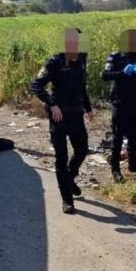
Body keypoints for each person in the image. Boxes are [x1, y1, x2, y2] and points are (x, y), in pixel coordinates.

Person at [30, 28, 92, 214]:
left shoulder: (82, 60)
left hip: (76, 114)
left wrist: (88, 108)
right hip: (59, 116)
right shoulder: (54, 62)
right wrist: (52, 104)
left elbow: (82, 86)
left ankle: (69, 178)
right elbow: (36, 85)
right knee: (61, 158)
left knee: (82, 150)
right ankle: (67, 200)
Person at [102, 29, 136, 182]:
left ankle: (133, 165)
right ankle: (115, 169)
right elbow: (105, 75)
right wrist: (122, 73)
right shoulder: (115, 57)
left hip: (135, 100)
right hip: (120, 101)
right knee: (118, 136)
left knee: (134, 134)